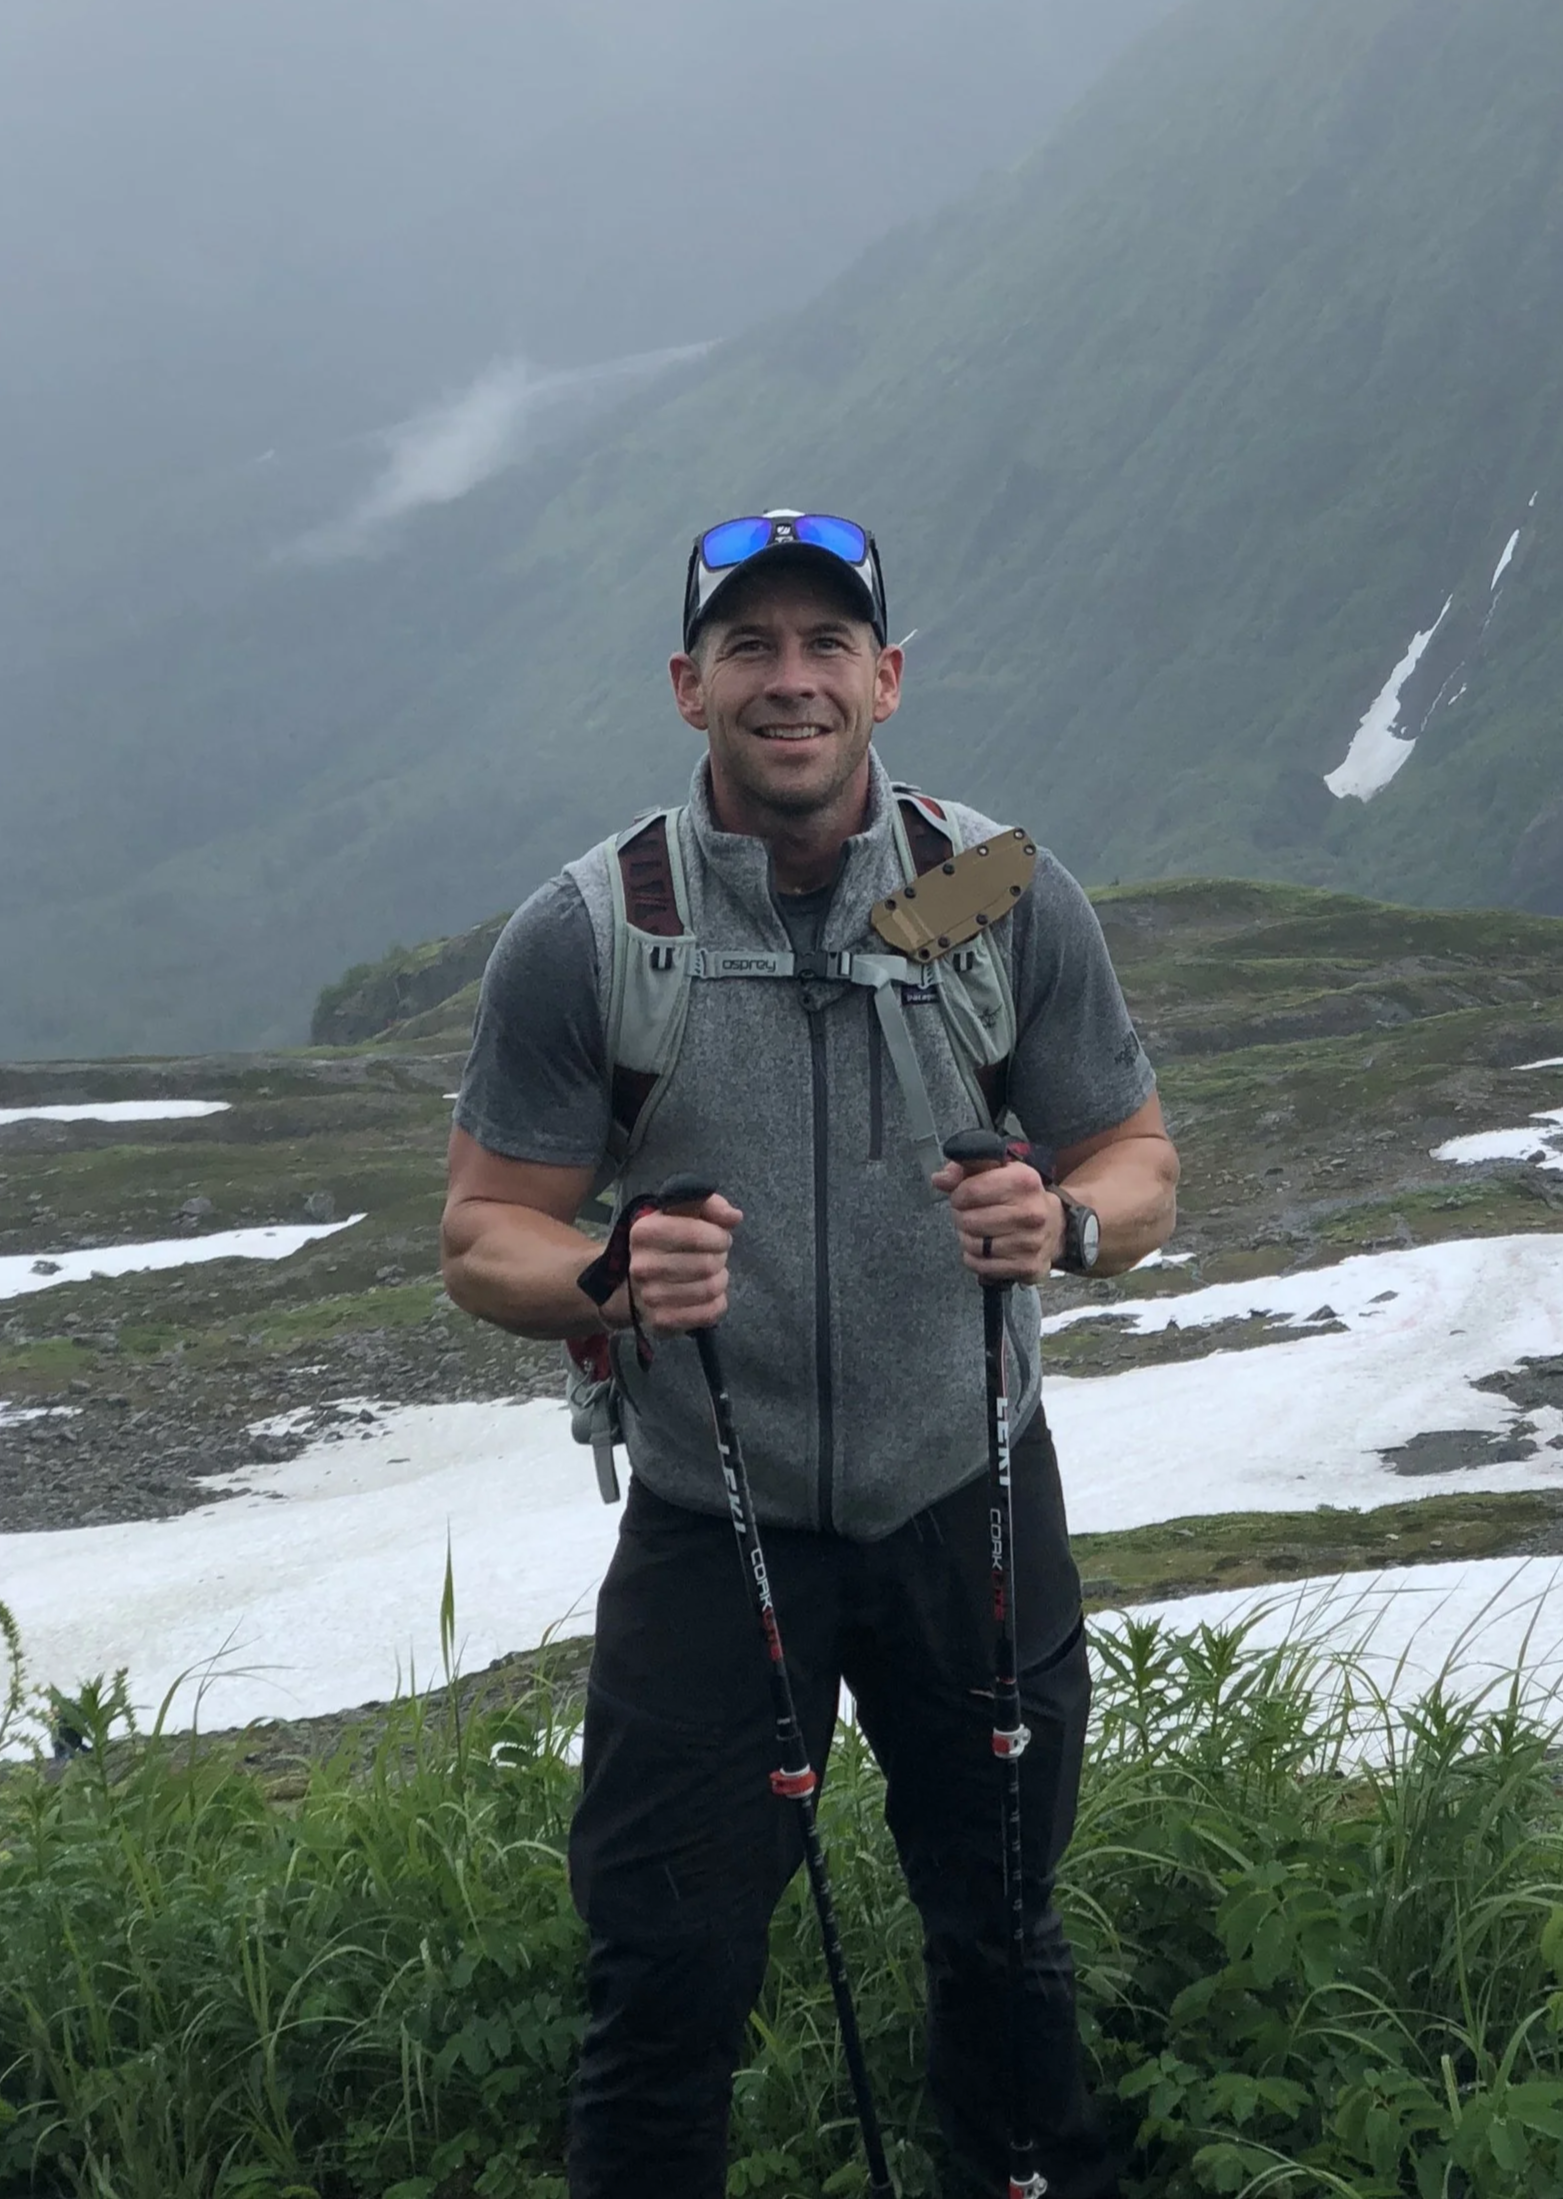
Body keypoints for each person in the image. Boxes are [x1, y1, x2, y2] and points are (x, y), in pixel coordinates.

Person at [441, 508, 1179, 2199]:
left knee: (1004, 1939)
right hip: (717, 1519)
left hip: (966, 1500)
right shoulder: (598, 926)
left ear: (888, 679)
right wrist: (609, 1275)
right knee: (667, 1973)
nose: (792, 682)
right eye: (752, 649)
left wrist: (1063, 1223)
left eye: (827, 646)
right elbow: (486, 1232)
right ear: (688, 686)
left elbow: (1136, 1161)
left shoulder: (991, 889)